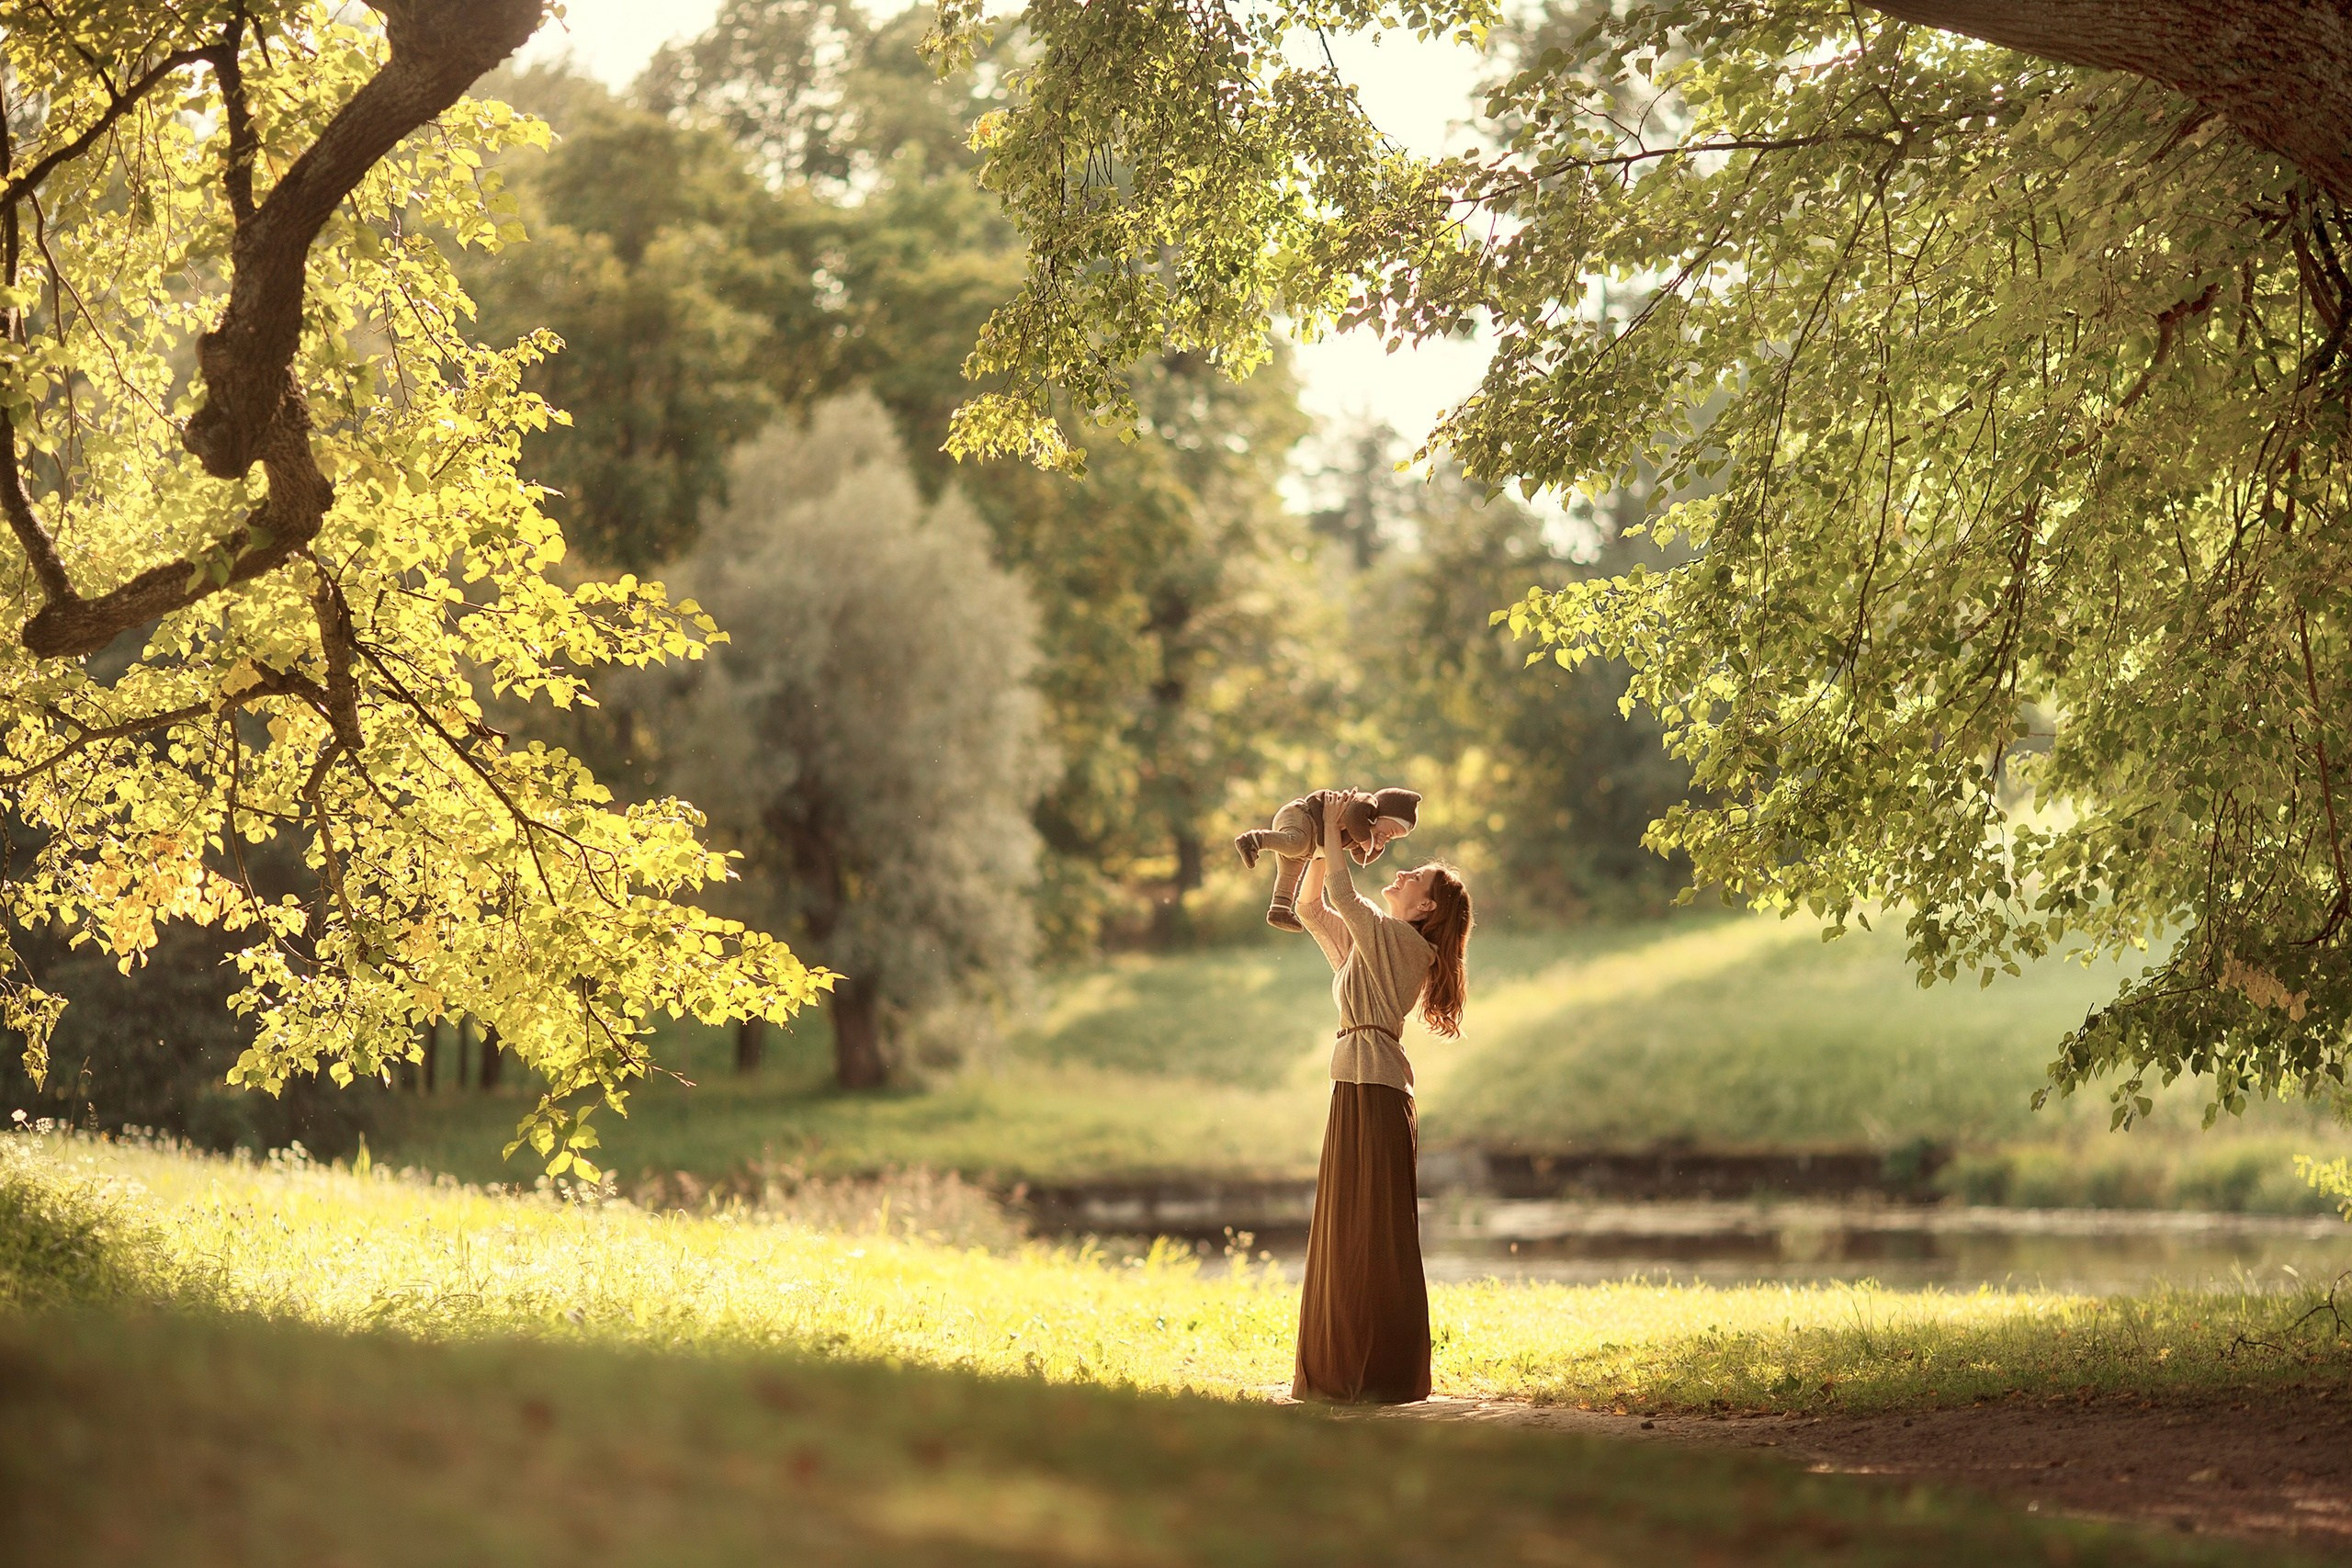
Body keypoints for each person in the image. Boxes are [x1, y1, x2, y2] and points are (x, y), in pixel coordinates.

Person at [1287, 790, 1472, 1404]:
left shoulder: (1404, 945)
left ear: (1427, 908)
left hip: (1376, 1090)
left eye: (1413, 876)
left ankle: (1379, 1371)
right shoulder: (1374, 943)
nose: (1399, 872)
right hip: (1355, 1084)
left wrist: (1339, 830)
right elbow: (1310, 904)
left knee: (1370, 1233)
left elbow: (1343, 894)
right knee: (1348, 1229)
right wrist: (1320, 834)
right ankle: (1342, 1368)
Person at [1234, 786, 1421, 931]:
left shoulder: (1366, 831)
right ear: (1386, 813)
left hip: (1311, 844)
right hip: (1302, 816)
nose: (1390, 836)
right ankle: (1253, 839)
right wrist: (1367, 840)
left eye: (1394, 837)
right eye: (1392, 830)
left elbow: (1359, 857)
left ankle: (1279, 909)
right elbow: (1354, 816)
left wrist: (1376, 846)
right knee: (1295, 844)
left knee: (1290, 871)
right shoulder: (1367, 804)